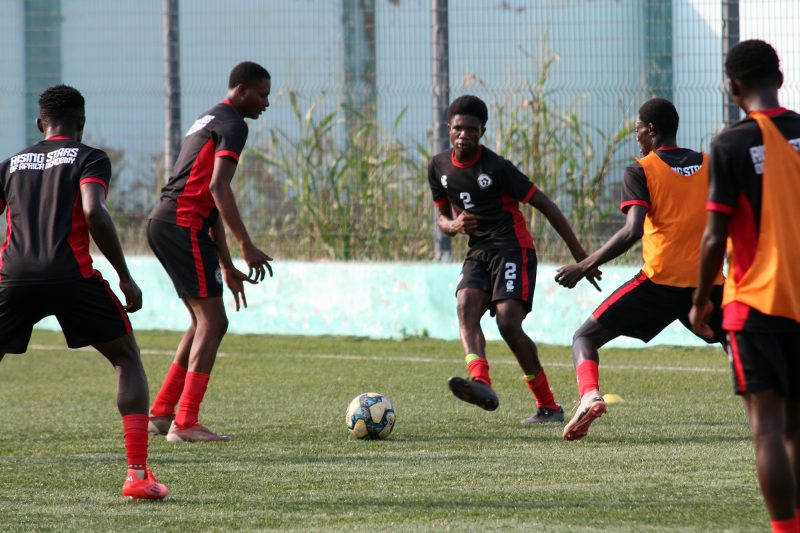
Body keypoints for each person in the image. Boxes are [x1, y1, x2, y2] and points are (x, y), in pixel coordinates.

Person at [0, 85, 168, 499]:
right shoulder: (90, 157)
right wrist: (125, 276)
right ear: (81, 123)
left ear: (40, 124)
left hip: (13, 276)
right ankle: (137, 475)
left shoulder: (10, 165)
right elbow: (93, 210)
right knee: (126, 358)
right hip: (71, 275)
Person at [556, 97, 725, 441]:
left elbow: (632, 231)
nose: (636, 138)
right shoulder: (710, 164)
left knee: (584, 337)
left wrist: (585, 265)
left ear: (651, 130)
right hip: (707, 283)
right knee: (738, 343)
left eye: (637, 130)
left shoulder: (641, 169)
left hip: (659, 282)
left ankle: (590, 396)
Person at [427, 95, 599, 424]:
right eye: (459, 129)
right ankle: (480, 382)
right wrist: (455, 225)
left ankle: (548, 406)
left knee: (507, 323)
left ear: (483, 131)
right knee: (465, 305)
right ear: (448, 129)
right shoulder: (438, 166)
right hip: (478, 252)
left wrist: (582, 257)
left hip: (512, 248)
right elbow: (442, 219)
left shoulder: (497, 168)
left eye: (472, 130)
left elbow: (547, 205)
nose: (465, 135)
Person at [689, 40, 800, 533]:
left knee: (768, 430)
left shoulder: (730, 144)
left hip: (755, 303)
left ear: (733, 87)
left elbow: (715, 234)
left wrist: (699, 302)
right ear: (779, 77)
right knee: (796, 430)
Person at [147, 61, 273, 442]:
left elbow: (208, 197)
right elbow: (219, 189)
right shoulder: (234, 124)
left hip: (169, 222)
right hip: (182, 224)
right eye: (262, 94)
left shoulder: (207, 118)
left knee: (201, 321)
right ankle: (185, 422)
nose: (266, 102)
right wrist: (247, 245)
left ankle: (163, 413)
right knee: (214, 323)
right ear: (241, 89)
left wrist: (227, 263)